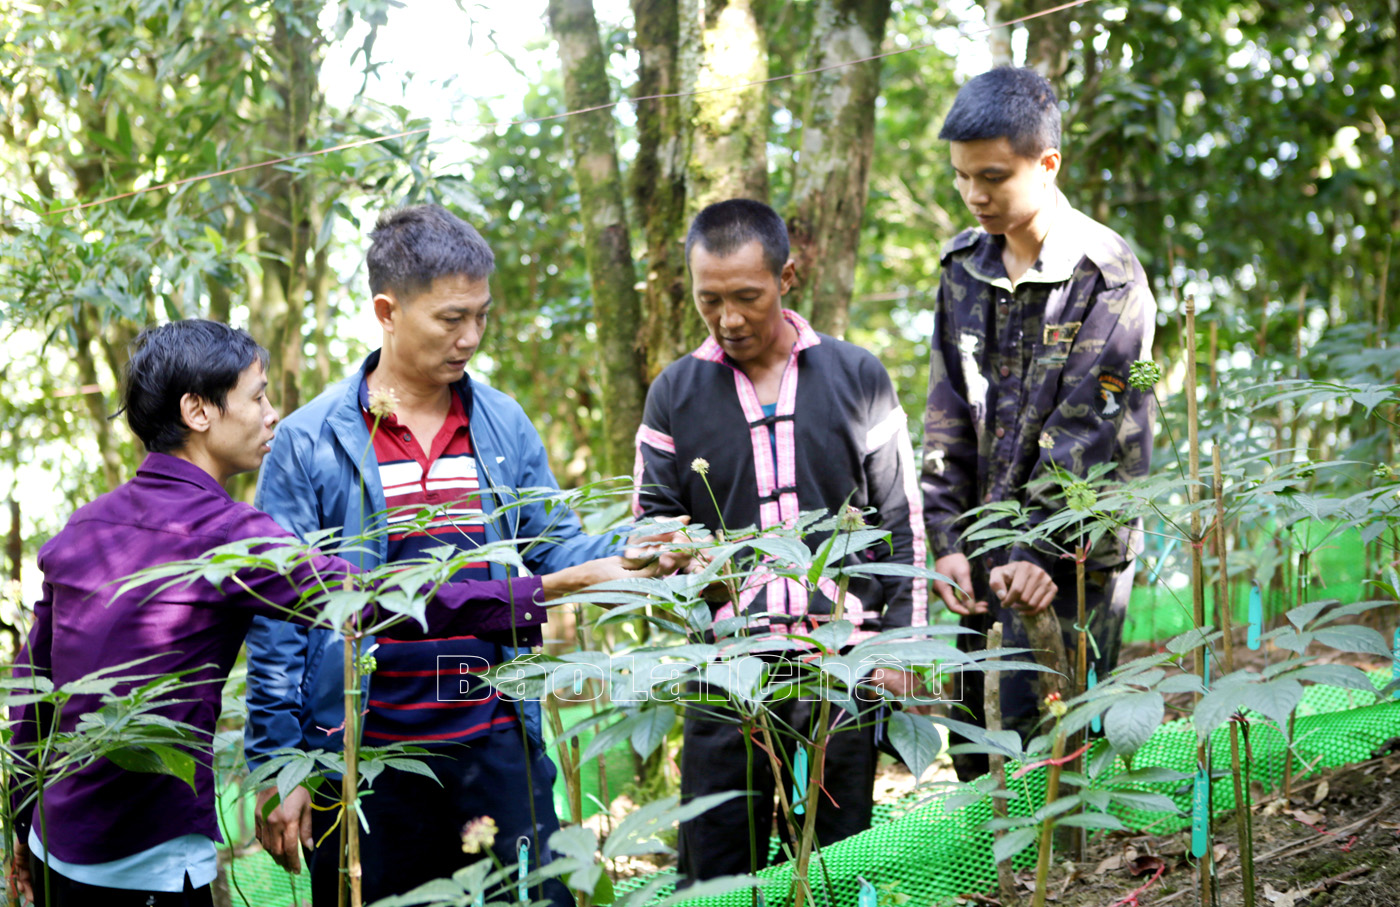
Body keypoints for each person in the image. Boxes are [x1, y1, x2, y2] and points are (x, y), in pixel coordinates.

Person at [6, 320, 648, 907]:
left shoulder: (86, 526)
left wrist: (18, 826)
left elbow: (31, 694)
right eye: (256, 397)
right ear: (198, 411)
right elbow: (376, 603)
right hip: (154, 859)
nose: (272, 414)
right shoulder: (234, 536)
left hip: (55, 843)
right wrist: (558, 585)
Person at [241, 204, 673, 905]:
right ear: (387, 309)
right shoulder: (309, 440)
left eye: (481, 314)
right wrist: (277, 761)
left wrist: (637, 546)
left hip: (495, 734)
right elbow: (278, 615)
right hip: (364, 754)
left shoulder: (500, 422)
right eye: (450, 318)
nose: (469, 336)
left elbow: (553, 543)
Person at [632, 198, 928, 880]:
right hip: (724, 674)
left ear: (787, 277)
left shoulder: (857, 377)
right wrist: (675, 558)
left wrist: (901, 646)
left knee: (837, 858)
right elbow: (651, 525)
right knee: (716, 870)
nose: (729, 318)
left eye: (747, 297)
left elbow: (900, 522)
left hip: (842, 666)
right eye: (711, 301)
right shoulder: (674, 393)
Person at [919, 67, 1156, 780]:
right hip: (982, 546)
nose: (973, 194)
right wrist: (947, 541)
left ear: (1047, 164)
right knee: (970, 744)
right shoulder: (963, 267)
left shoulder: (1107, 274)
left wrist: (1035, 551)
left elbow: (1090, 428)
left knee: (1054, 744)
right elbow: (947, 413)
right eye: (961, 177)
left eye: (991, 176)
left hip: (1074, 555)